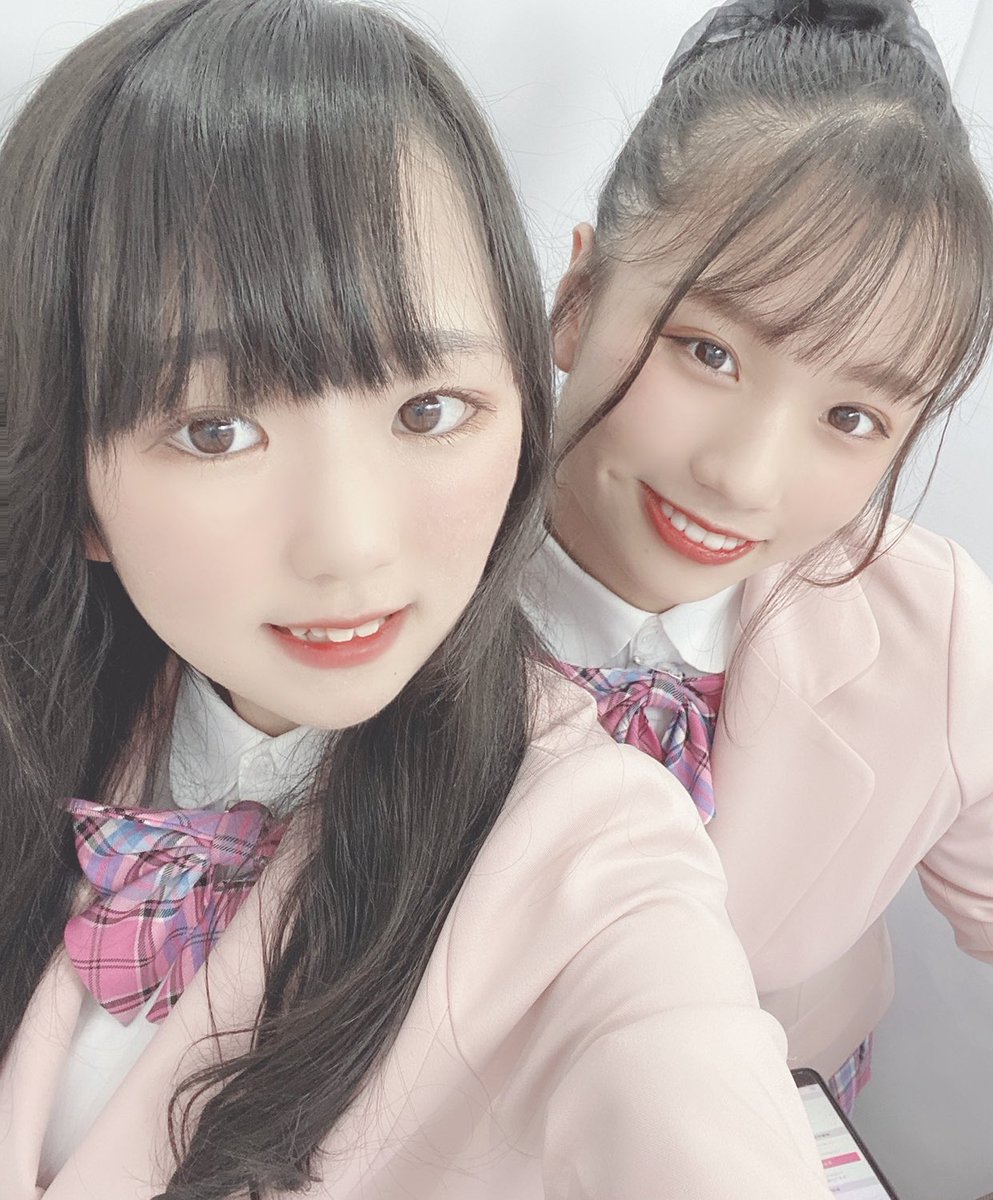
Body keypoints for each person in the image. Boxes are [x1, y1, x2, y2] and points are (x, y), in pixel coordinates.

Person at [0, 1, 836, 1197]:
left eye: (429, 410)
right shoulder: (60, 711)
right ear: (70, 471)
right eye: (217, 429)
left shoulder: (590, 850)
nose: (352, 545)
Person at [523, 0, 993, 1115]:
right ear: (577, 302)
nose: (744, 478)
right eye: (708, 352)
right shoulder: (372, 570)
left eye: (852, 418)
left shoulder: (934, 630)